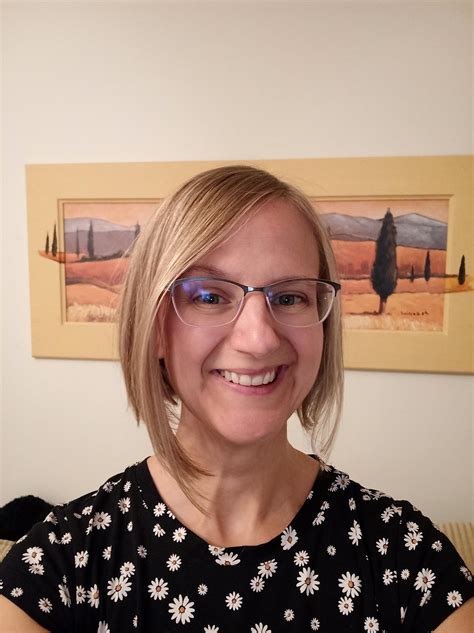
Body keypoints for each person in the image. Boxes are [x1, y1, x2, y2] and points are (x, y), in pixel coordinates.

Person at [0, 165, 472, 632]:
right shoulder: (58, 570)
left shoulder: (407, 558)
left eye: (289, 297)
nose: (259, 339)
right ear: (155, 328)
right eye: (209, 296)